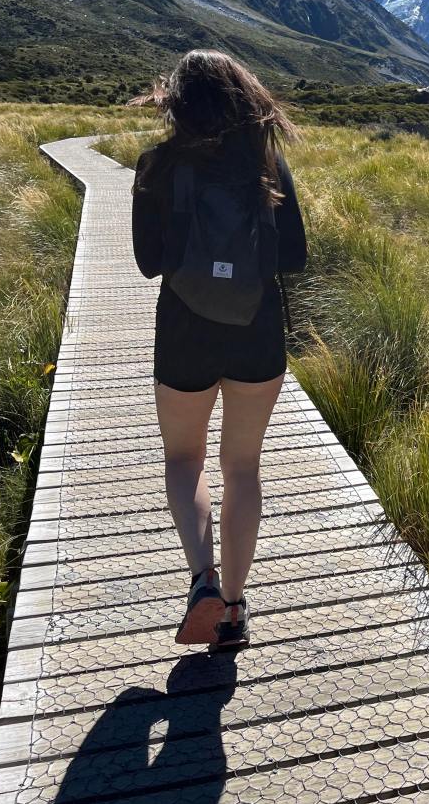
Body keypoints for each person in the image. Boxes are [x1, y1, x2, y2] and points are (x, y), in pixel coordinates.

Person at [130, 50, 307, 651]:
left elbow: (148, 262)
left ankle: (202, 579)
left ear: (178, 103)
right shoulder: (267, 164)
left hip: (185, 329)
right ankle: (233, 608)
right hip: (257, 328)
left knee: (185, 460)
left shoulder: (157, 165)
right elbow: (293, 256)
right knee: (244, 467)